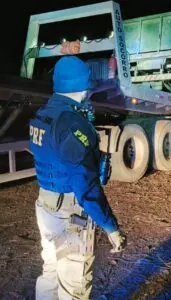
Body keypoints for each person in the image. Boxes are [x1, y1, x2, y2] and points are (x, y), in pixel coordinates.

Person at [29, 55, 126, 299]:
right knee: (74, 286)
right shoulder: (71, 124)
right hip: (69, 215)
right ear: (80, 86)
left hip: (46, 207)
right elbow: (85, 185)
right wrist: (110, 226)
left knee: (50, 271)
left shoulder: (44, 114)